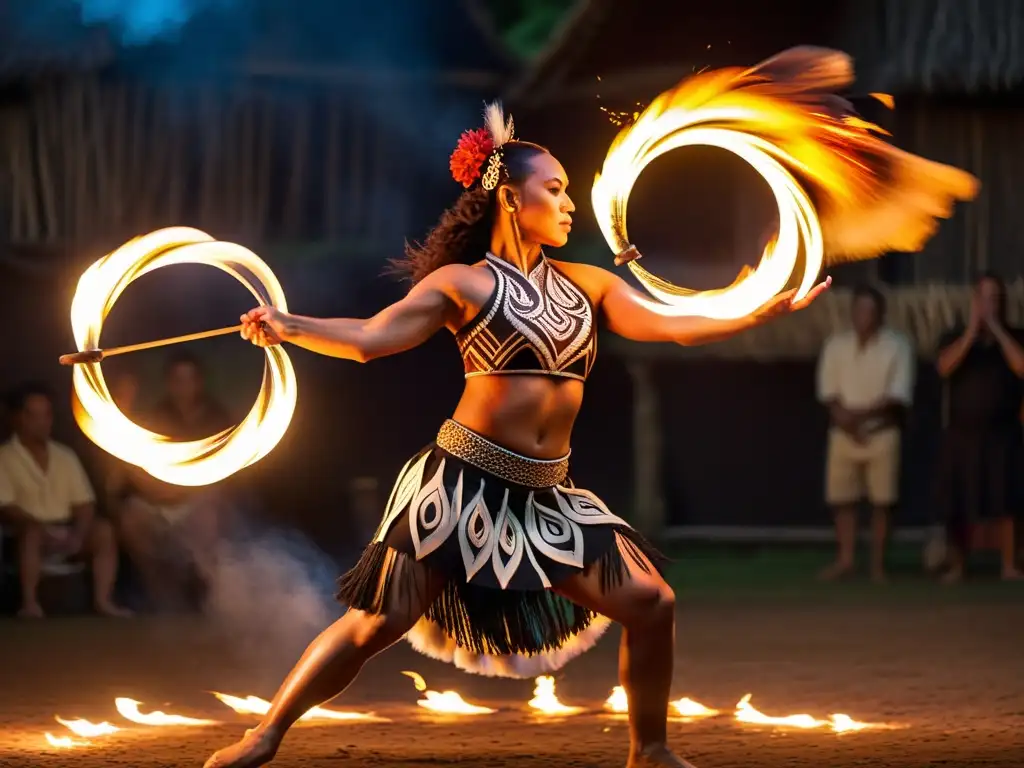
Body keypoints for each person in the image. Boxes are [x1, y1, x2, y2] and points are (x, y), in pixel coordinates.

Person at [202, 102, 830, 768]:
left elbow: (672, 324)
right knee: (376, 623)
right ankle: (265, 735)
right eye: (554, 189)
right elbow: (368, 340)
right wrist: (288, 324)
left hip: (547, 498)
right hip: (461, 486)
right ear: (510, 197)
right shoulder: (463, 285)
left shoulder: (589, 286)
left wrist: (756, 308)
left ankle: (649, 750)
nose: (569, 205)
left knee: (651, 601)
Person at [0, 383, 131, 618]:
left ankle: (103, 601)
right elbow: (6, 507)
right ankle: (30, 604)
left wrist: (78, 534)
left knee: (103, 531)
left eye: (47, 414)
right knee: (31, 534)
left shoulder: (65, 456)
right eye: (34, 415)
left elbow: (84, 503)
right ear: (18, 418)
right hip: (27, 534)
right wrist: (41, 529)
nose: (42, 421)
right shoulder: (5, 457)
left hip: (66, 530)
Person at [113, 354, 234, 609]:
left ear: (199, 382)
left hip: (200, 500)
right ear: (169, 383)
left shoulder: (218, 418)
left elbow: (228, 469)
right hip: (159, 502)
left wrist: (194, 490)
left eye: (188, 379)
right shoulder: (157, 418)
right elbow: (140, 465)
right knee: (133, 517)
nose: (183, 386)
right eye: (177, 380)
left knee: (208, 514)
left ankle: (212, 598)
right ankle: (162, 594)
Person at [816, 285, 914, 583]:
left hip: (881, 434)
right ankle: (845, 561)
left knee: (882, 502)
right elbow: (828, 392)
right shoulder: (836, 345)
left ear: (880, 313)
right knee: (842, 499)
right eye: (859, 309)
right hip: (843, 435)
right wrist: (846, 421)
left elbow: (896, 396)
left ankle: (877, 567)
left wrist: (858, 418)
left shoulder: (897, 346)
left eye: (870, 310)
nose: (864, 316)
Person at [935, 272, 1024, 582]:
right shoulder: (954, 336)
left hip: (1004, 432)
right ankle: (958, 565)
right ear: (974, 301)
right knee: (957, 502)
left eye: (995, 299)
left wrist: (997, 331)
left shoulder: (1015, 336)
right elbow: (944, 367)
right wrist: (973, 332)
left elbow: (1021, 366)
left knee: (1007, 501)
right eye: (984, 298)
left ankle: (1009, 565)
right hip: (962, 434)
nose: (989, 304)